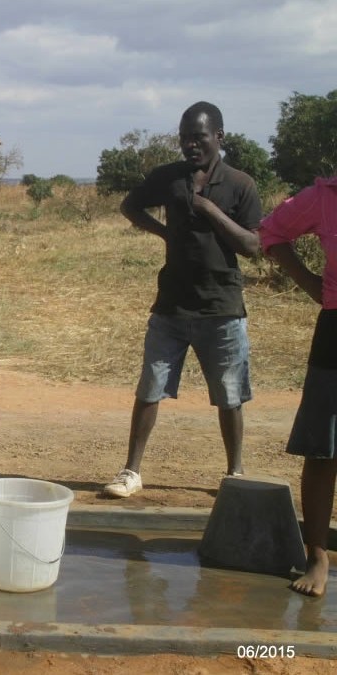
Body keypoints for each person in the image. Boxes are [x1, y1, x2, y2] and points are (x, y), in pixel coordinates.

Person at [103, 101, 261, 498]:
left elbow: (254, 246)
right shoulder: (169, 177)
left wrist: (208, 209)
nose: (191, 145)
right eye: (185, 138)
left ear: (219, 138)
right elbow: (130, 206)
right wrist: (163, 233)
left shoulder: (241, 185)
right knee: (149, 388)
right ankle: (131, 472)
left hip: (222, 308)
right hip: (171, 305)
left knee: (229, 396)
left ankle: (234, 474)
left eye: (199, 138)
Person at [259, 177, 337, 596]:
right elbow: (272, 231)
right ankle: (319, 555)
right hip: (335, 331)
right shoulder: (325, 197)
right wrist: (314, 287)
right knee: (324, 448)